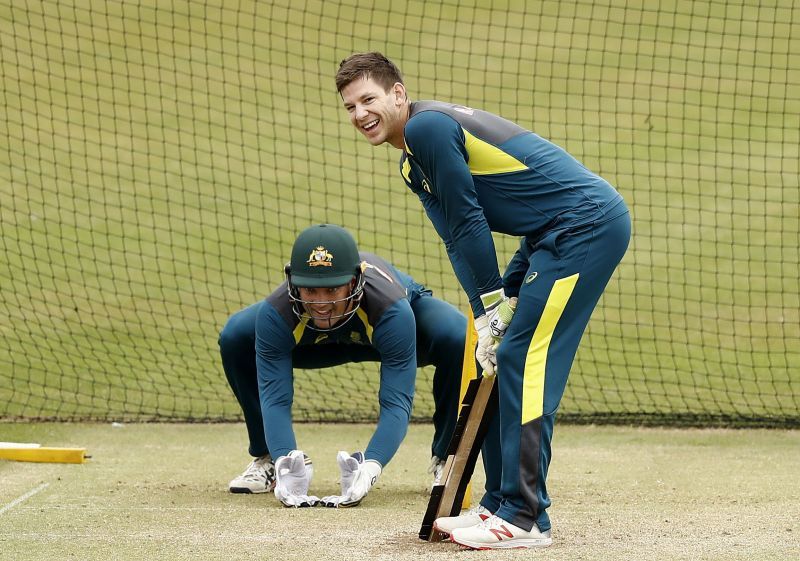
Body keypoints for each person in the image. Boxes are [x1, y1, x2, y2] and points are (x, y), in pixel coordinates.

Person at [335, 53, 631, 548]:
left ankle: (526, 517)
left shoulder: (427, 129)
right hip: (545, 235)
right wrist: (483, 314)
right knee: (495, 358)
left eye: (369, 99)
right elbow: (455, 237)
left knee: (523, 356)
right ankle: (497, 503)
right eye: (350, 106)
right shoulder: (412, 163)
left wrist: (496, 303)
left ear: (399, 95)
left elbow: (471, 219)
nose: (360, 113)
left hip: (585, 227)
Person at [219, 223, 465, 507]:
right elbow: (275, 398)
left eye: (332, 289)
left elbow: (396, 401)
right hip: (313, 346)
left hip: (388, 335)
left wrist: (371, 465)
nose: (321, 303)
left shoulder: (392, 310)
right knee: (236, 336)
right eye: (310, 290)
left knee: (457, 337)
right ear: (292, 280)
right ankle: (269, 461)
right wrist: (286, 458)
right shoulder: (277, 313)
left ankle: (447, 459)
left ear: (355, 280)